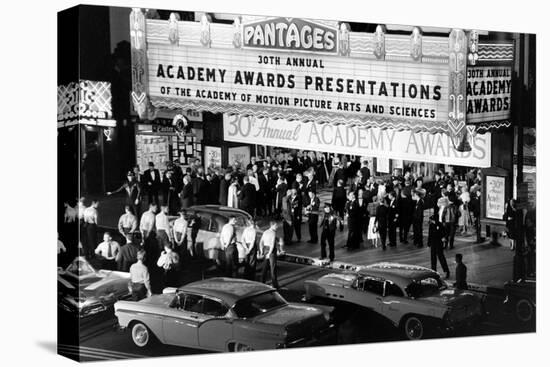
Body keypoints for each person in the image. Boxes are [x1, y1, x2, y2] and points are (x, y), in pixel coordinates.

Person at [259, 221, 280, 288]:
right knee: (273, 267)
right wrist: (270, 253)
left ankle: (262, 281)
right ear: (272, 225)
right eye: (276, 225)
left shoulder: (265, 232)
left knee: (264, 267)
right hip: (271, 250)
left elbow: (261, 242)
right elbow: (272, 244)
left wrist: (262, 250)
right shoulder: (273, 233)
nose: (277, 227)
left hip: (265, 248)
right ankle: (275, 284)